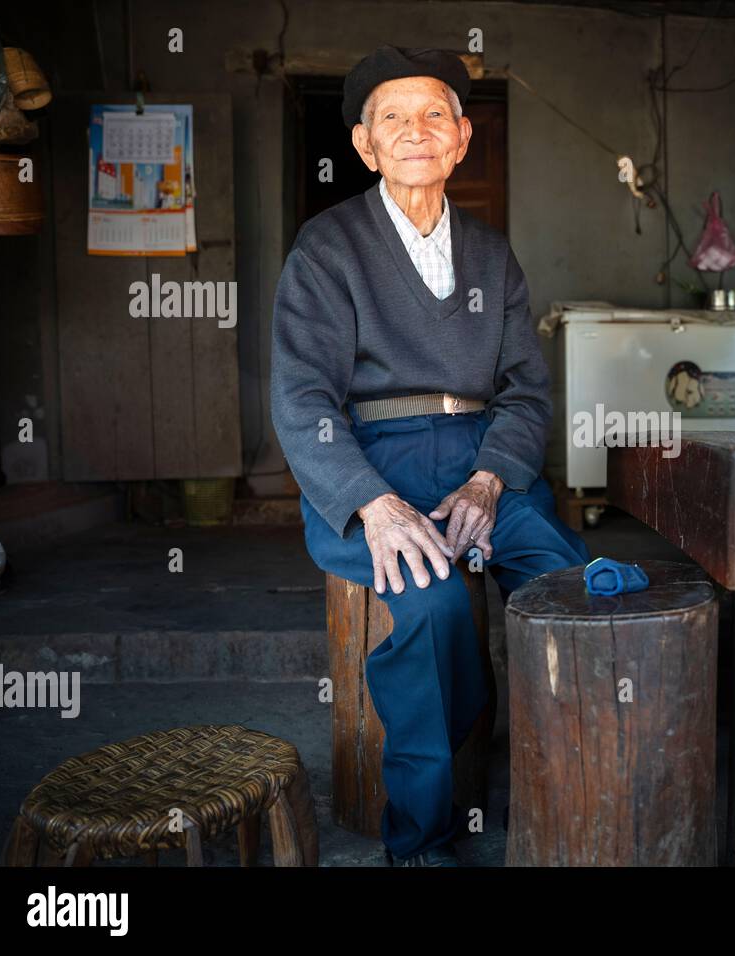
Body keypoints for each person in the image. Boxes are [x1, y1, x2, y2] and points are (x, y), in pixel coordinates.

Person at [270, 46, 590, 867]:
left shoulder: (491, 254)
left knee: (568, 581)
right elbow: (302, 398)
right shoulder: (327, 247)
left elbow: (526, 389)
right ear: (365, 146)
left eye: (434, 117)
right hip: (372, 461)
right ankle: (423, 840)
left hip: (479, 458)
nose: (416, 132)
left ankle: (583, 795)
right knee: (435, 607)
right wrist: (372, 505)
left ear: (461, 139)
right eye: (393, 119)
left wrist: (490, 480)